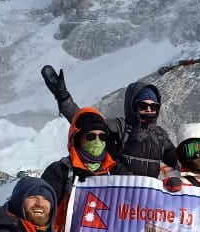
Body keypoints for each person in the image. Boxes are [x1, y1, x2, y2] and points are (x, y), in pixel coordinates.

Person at [41, 65, 176, 178]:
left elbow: (178, 160)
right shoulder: (120, 127)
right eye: (143, 105)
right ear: (133, 106)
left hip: (147, 199)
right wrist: (64, 98)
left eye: (153, 106)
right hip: (117, 192)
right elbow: (90, 124)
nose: (148, 109)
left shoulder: (160, 135)